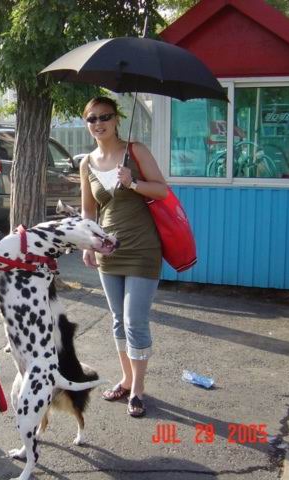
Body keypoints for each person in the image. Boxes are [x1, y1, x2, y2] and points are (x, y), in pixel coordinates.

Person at [79, 96, 168, 418]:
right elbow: (89, 210)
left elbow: (162, 190)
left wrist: (134, 182)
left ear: (117, 119)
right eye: (92, 118)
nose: (98, 123)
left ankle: (138, 390)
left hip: (142, 249)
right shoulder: (86, 163)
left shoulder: (136, 151)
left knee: (134, 320)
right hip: (108, 251)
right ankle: (127, 379)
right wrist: (88, 244)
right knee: (118, 319)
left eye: (104, 116)